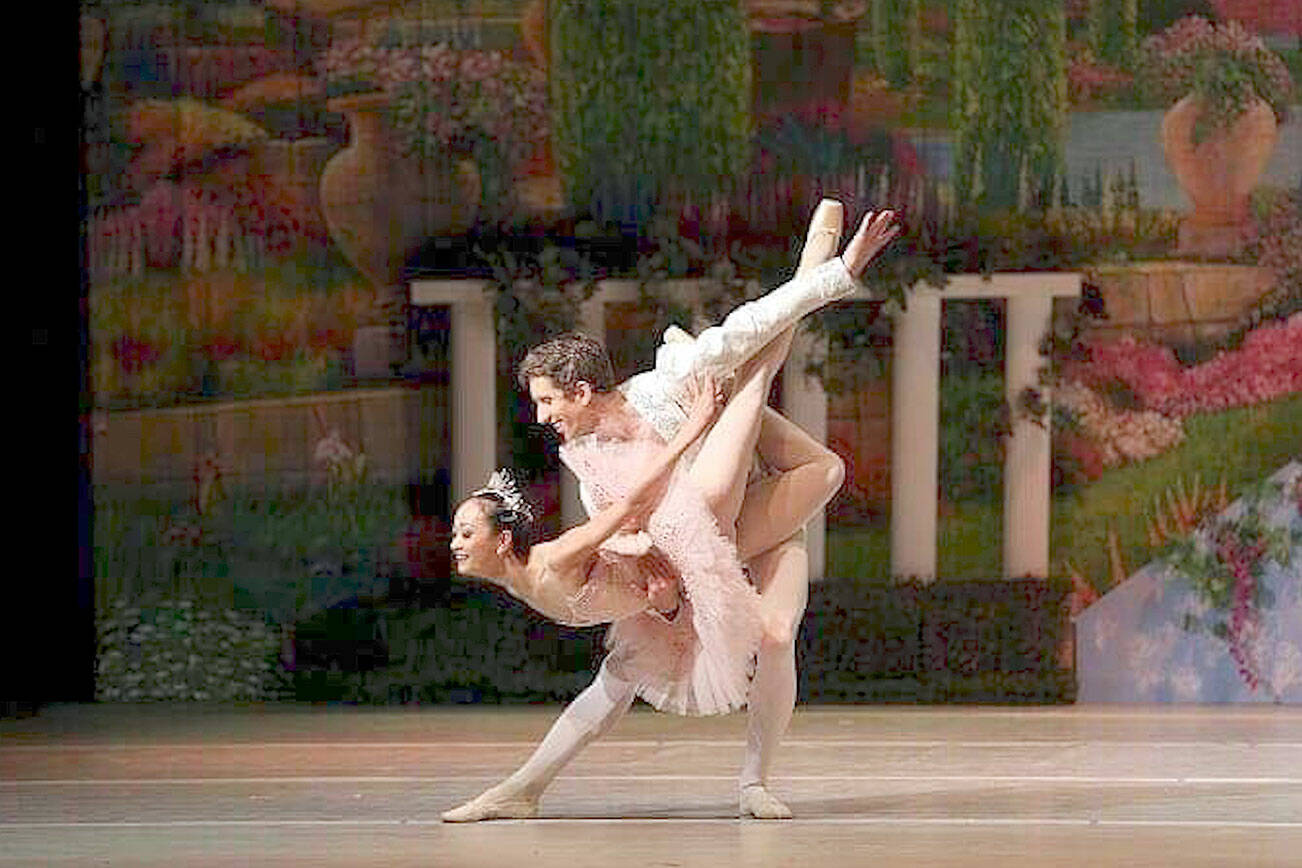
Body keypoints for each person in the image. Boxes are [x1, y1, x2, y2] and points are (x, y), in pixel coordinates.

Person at [443, 204, 899, 821]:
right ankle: (523, 789)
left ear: (582, 391)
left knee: (779, 613)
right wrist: (656, 586)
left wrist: (840, 271)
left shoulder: (665, 383)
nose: (543, 417)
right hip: (696, 539)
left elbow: (754, 321)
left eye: (549, 401)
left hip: (743, 512)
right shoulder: (586, 455)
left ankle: (754, 783)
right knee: (632, 664)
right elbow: (621, 521)